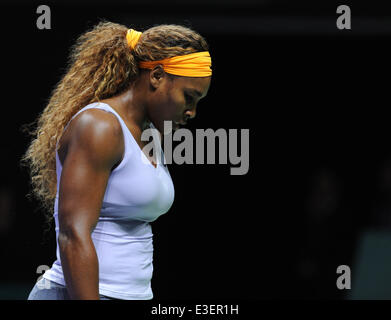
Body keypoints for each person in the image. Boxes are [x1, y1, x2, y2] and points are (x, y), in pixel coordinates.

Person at [21, 21, 212, 300]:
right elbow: (72, 234)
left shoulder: (150, 133)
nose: (192, 112)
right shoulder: (98, 126)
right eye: (189, 97)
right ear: (157, 76)